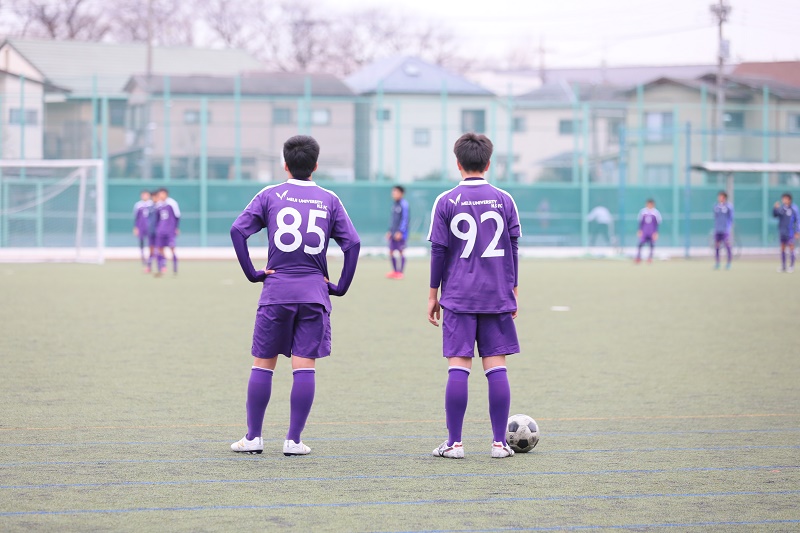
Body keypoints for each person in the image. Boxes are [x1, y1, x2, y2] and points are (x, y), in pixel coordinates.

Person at [229, 135, 360, 456]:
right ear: (315, 165)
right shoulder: (329, 199)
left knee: (263, 364)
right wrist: (340, 285)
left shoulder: (270, 194)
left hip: (277, 291)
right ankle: (294, 440)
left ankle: (253, 438)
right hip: (314, 292)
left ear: (284, 164)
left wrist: (253, 273)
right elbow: (352, 244)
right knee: (304, 366)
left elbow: (237, 230)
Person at [427, 132, 521, 459]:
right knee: (496, 367)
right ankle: (499, 444)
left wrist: (432, 294)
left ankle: (454, 443)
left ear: (458, 163)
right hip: (496, 294)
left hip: (458, 296)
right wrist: (514, 290)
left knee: (459, 366)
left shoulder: (446, 201)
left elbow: (438, 252)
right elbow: (514, 249)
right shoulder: (504, 200)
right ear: (489, 162)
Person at [153, 188, 181, 277]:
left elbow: (177, 216)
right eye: (160, 194)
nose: (161, 196)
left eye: (162, 194)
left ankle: (175, 268)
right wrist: (158, 228)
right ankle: (162, 267)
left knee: (172, 248)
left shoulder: (172, 203)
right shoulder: (158, 205)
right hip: (161, 231)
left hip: (170, 231)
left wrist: (176, 227)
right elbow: (157, 218)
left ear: (166, 194)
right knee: (160, 249)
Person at [386, 185, 410, 279]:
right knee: (391, 251)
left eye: (395, 192)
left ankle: (400, 272)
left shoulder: (404, 204)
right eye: (393, 192)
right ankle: (395, 271)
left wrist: (400, 231)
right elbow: (393, 220)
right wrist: (390, 231)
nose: (393, 194)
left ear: (401, 193)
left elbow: (405, 219)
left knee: (401, 251)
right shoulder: (394, 204)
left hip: (400, 233)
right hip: (393, 232)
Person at [773, 193, 799, 273]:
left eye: (785, 198)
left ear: (789, 199)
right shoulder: (781, 209)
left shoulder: (794, 209)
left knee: (791, 248)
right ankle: (783, 266)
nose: (784, 200)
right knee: (782, 248)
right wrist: (775, 209)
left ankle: (791, 265)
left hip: (790, 232)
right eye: (783, 198)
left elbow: (797, 220)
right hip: (782, 232)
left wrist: (797, 231)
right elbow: (775, 215)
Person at [713, 191, 734, 270]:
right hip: (718, 230)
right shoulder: (716, 207)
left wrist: (728, 227)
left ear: (724, 197)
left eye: (721, 196)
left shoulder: (729, 206)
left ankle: (728, 263)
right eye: (719, 196)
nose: (719, 198)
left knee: (727, 246)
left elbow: (731, 218)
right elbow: (715, 217)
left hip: (725, 230)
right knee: (717, 246)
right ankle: (717, 263)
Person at [635, 199, 662, 264]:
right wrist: (640, 230)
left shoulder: (656, 213)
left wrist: (656, 232)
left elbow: (657, 223)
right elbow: (640, 222)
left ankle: (650, 258)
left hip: (652, 232)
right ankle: (638, 257)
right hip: (644, 231)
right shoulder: (643, 212)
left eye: (651, 204)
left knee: (651, 245)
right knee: (640, 244)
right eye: (648, 204)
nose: (649, 205)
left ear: (653, 204)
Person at [133, 190, 153, 270]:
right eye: (143, 195)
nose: (145, 196)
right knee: (141, 242)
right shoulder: (138, 205)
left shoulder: (152, 204)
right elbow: (136, 217)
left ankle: (150, 259)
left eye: (146, 195)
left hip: (150, 227)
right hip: (141, 227)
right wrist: (136, 227)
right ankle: (143, 258)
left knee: (150, 243)